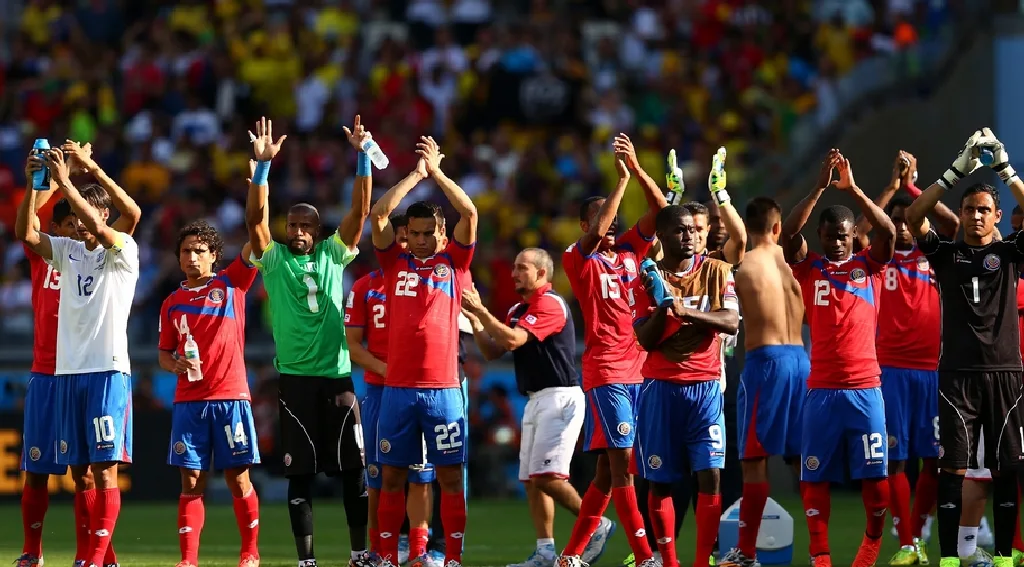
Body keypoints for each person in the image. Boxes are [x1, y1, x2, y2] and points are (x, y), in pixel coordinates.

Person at [244, 116, 372, 567]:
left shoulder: (334, 253)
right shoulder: (274, 260)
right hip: (296, 381)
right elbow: (254, 222)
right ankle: (307, 561)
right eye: (292, 225)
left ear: (317, 232)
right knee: (300, 477)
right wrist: (262, 169)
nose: (297, 232)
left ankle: (360, 554)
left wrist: (362, 158)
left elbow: (359, 215)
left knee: (355, 472)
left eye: (305, 226)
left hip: (338, 379)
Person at [15, 142, 139, 567]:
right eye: (67, 223)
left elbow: (128, 217)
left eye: (78, 219)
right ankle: (39, 551)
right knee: (52, 469)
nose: (74, 228)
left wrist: (71, 179)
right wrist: (37, 183)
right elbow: (27, 231)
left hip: (100, 369)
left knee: (95, 470)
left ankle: (99, 552)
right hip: (55, 371)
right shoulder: (59, 254)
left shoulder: (118, 249)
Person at [904, 128, 1024, 567]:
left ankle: (1008, 556)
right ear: (961, 212)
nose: (976, 217)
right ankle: (952, 558)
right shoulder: (945, 254)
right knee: (951, 469)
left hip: (1006, 373)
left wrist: (1004, 168)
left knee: (1008, 467)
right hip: (956, 375)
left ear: (997, 216)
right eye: (970, 210)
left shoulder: (1011, 252)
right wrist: (958, 168)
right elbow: (913, 217)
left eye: (985, 211)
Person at [555, 135, 668, 567]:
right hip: (605, 371)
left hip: (640, 369)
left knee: (608, 472)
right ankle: (644, 556)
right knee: (623, 465)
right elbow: (601, 227)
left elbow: (661, 213)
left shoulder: (630, 253)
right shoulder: (576, 258)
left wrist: (637, 170)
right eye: (604, 218)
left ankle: (570, 555)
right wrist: (620, 184)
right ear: (585, 225)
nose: (614, 224)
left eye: (619, 218)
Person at [782, 149, 896, 567]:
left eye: (842, 236)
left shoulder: (871, 265)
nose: (835, 242)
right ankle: (821, 556)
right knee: (813, 476)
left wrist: (854, 190)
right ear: (822, 235)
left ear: (852, 237)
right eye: (828, 235)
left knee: (878, 483)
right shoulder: (809, 268)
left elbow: (888, 232)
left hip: (867, 389)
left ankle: (870, 546)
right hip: (822, 391)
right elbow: (788, 236)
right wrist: (818, 187)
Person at [368, 135, 476, 567]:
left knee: (450, 476)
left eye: (430, 233)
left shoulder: (456, 263)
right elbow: (378, 214)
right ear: (405, 236)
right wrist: (415, 174)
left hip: (443, 389)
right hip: (397, 389)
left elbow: (469, 211)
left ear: (442, 234)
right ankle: (387, 558)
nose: (422, 240)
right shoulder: (393, 263)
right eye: (414, 234)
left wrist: (438, 174)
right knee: (392, 475)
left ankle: (451, 559)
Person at [848, 151, 960, 566]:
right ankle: (908, 542)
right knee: (894, 456)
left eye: (907, 218)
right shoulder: (880, 259)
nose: (900, 225)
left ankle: (918, 532)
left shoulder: (938, 252)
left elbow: (952, 223)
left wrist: (914, 186)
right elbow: (861, 231)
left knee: (933, 458)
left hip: (933, 370)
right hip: (889, 370)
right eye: (893, 220)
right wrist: (892, 189)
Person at [460, 248, 586, 567]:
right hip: (535, 399)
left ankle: (594, 522)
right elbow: (491, 350)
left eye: (522, 268)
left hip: (559, 397)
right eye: (514, 267)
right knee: (532, 480)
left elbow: (515, 341)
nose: (514, 273)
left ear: (542, 273)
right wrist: (476, 320)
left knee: (547, 476)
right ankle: (545, 551)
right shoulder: (518, 308)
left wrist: (483, 311)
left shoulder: (551, 303)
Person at [631, 204, 740, 567]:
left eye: (694, 230)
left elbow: (730, 321)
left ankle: (700, 561)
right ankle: (670, 562)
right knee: (660, 481)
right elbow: (646, 340)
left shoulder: (718, 271)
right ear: (662, 237)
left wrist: (685, 310)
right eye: (680, 231)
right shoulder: (646, 279)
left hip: (706, 389)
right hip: (660, 389)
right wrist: (663, 305)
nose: (690, 236)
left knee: (709, 475)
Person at [158, 218, 262, 567]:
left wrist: (258, 181)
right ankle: (188, 561)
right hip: (189, 401)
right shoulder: (171, 302)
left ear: (214, 255)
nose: (192, 257)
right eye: (186, 251)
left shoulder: (232, 283)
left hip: (231, 396)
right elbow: (163, 353)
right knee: (191, 481)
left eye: (200, 251)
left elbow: (257, 237)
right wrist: (172, 365)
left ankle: (249, 551)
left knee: (238, 476)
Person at [718, 197, 809, 567]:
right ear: (776, 227)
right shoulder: (796, 264)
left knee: (754, 460)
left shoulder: (743, 265)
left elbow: (731, 249)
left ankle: (747, 552)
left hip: (766, 362)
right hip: (803, 361)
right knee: (803, 460)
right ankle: (821, 552)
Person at [345, 214, 438, 567]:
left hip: (421, 390)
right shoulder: (364, 287)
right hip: (381, 394)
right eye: (399, 237)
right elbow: (353, 346)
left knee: (421, 473)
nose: (404, 243)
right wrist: (388, 371)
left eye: (409, 237)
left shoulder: (431, 282)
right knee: (377, 475)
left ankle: (418, 552)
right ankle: (378, 551)